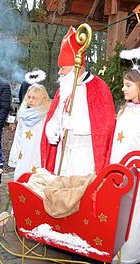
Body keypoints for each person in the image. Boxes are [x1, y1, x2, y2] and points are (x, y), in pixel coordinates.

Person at [40, 26, 116, 176]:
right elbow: (55, 116)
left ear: (77, 67)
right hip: (63, 155)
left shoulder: (98, 87)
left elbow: (105, 126)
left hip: (85, 158)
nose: (60, 72)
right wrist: (52, 127)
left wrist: (75, 125)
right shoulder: (64, 88)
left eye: (63, 68)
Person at [110, 66, 140, 264]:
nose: (123, 89)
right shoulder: (125, 111)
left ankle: (132, 259)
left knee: (135, 227)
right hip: (120, 180)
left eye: (128, 85)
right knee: (118, 224)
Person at [9, 83, 51, 181]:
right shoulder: (23, 115)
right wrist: (14, 156)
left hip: (38, 153)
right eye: (29, 97)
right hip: (23, 153)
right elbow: (18, 137)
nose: (30, 100)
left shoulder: (46, 116)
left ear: (42, 98)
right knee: (21, 177)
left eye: (34, 98)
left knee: (36, 179)